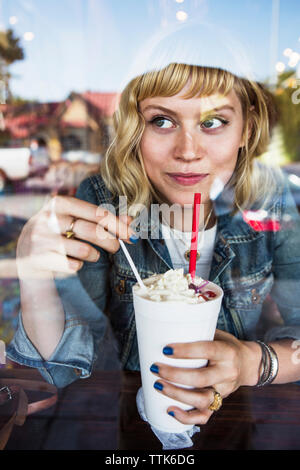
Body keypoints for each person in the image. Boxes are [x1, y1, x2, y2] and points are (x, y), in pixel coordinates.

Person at [7, 62, 300, 427]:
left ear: (247, 129)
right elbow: (62, 364)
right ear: (135, 129)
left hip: (247, 425)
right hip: (128, 426)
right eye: (162, 120)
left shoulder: (276, 203)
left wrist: (252, 363)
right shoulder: (104, 203)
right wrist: (34, 277)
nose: (188, 151)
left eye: (212, 122)